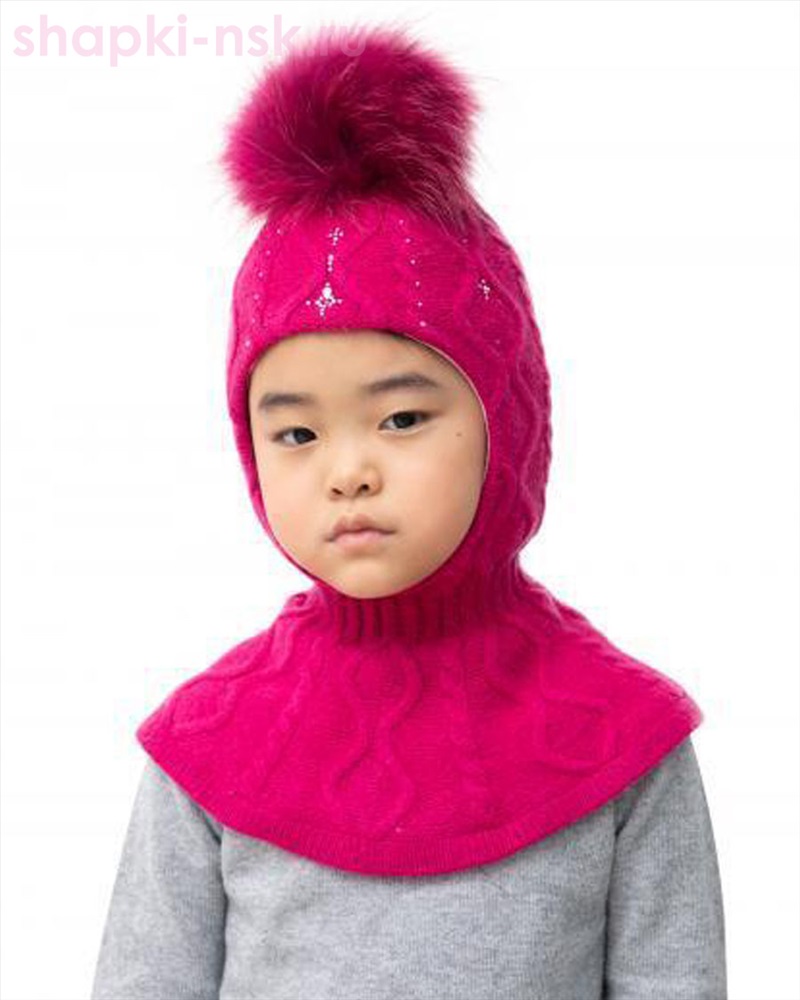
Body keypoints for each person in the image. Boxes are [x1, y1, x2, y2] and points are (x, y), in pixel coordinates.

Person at [90, 22, 727, 999]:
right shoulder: (205, 748)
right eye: (296, 432)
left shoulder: (625, 740)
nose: (347, 471)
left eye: (400, 417)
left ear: (505, 419)